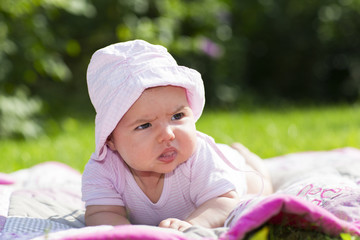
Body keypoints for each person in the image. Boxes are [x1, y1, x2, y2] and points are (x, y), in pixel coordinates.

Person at [82, 40, 272, 231]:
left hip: (232, 173)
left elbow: (225, 201)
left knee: (260, 186)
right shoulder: (104, 167)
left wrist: (192, 225)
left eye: (177, 116)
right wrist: (127, 233)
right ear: (110, 140)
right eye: (145, 125)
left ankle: (249, 159)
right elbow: (101, 212)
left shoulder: (200, 156)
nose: (167, 134)